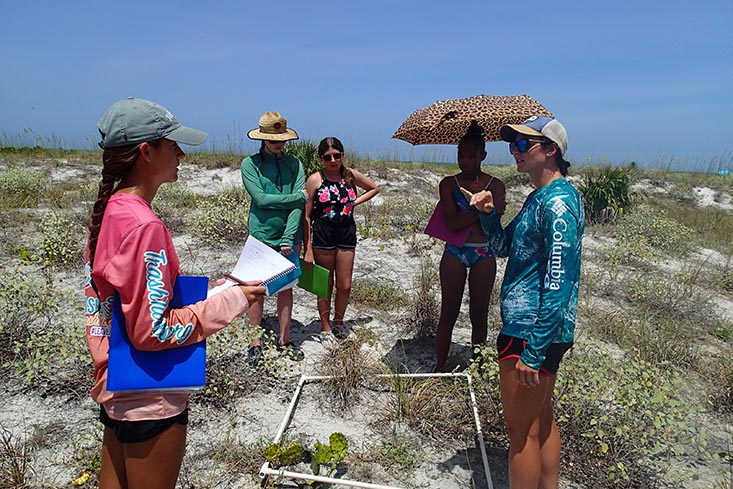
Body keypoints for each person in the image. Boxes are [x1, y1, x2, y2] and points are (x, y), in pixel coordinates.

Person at [85, 97, 266, 489]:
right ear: (146, 152)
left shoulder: (110, 212)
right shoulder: (144, 226)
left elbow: (125, 300)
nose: (181, 154)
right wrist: (235, 301)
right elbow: (154, 331)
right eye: (173, 145)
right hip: (150, 396)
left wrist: (218, 289)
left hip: (116, 381)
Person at [464, 116, 584, 488]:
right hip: (533, 329)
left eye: (522, 145)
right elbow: (501, 247)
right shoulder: (539, 198)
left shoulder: (560, 204)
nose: (513, 152)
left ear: (551, 150)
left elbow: (559, 282)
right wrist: (487, 216)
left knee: (521, 434)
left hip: (531, 332)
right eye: (511, 145)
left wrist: (534, 350)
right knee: (541, 421)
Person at [434, 122, 506, 372]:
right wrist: (481, 210)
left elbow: (495, 226)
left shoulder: (496, 185)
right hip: (455, 251)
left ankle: (478, 367)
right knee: (449, 312)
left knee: (479, 314)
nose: (464, 160)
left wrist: (488, 212)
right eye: (460, 154)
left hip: (483, 252)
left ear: (483, 156)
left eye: (470, 155)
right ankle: (440, 366)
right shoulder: (448, 184)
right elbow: (452, 223)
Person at [241, 111, 307, 364]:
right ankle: (254, 342)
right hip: (260, 235)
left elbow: (297, 208)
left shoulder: (295, 165)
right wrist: (295, 197)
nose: (279, 145)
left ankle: (284, 339)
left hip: (287, 238)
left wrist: (289, 237)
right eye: (273, 140)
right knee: (255, 291)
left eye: (282, 140)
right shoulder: (250, 164)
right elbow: (261, 199)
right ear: (262, 139)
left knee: (285, 289)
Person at [302, 137, 379, 341]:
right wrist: (307, 248)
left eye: (337, 155)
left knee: (344, 285)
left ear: (343, 155)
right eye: (328, 157)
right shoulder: (315, 180)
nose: (333, 160)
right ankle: (325, 328)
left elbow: (373, 188)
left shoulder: (350, 175)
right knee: (324, 284)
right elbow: (307, 216)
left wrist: (355, 202)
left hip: (346, 233)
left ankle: (339, 322)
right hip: (322, 235)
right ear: (321, 158)